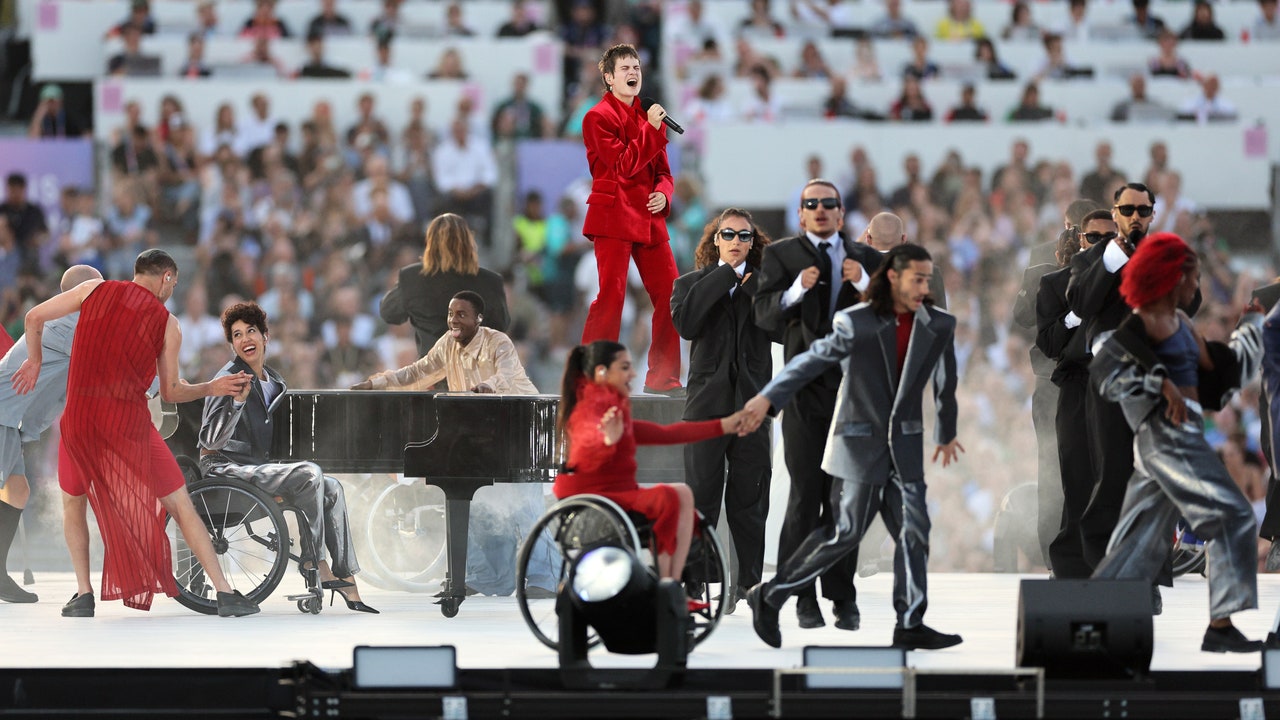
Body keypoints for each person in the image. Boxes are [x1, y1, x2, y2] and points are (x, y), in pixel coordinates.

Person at [12, 249, 258, 617]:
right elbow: (172, 391)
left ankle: (83, 595)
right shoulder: (167, 323)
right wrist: (213, 387)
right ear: (167, 278)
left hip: (79, 422)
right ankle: (225, 593)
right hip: (127, 424)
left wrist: (34, 360)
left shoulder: (93, 289)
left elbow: (33, 317)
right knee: (179, 503)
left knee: (73, 503)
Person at [743, 243, 964, 650]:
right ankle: (771, 594)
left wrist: (945, 434)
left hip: (905, 448)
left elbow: (945, 384)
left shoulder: (938, 324)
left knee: (915, 532)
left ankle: (910, 622)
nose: (924, 286)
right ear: (894, 277)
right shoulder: (855, 322)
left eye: (928, 279)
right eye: (917, 278)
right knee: (844, 533)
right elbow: (809, 362)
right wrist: (769, 398)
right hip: (858, 444)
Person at [1090, 232, 1263, 653]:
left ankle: (1090, 613)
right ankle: (1220, 626)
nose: (1196, 286)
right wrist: (1159, 382)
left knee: (1141, 533)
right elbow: (1105, 368)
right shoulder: (1141, 323)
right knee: (1234, 517)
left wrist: (1253, 330)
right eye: (1193, 276)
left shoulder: (1183, 323)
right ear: (1172, 276)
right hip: (1165, 438)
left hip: (1182, 436)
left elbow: (1214, 369)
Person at [354, 291, 555, 597]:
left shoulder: (498, 341)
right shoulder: (448, 343)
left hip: (522, 429)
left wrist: (488, 387)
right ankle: (489, 577)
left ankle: (545, 579)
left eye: (462, 314)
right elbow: (418, 373)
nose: (454, 320)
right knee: (481, 504)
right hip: (480, 432)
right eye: (451, 314)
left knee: (524, 508)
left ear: (479, 319)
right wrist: (376, 383)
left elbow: (507, 374)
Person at [752, 180, 882, 632]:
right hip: (806, 392)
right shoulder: (782, 256)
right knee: (805, 495)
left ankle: (843, 598)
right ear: (802, 214)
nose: (821, 210)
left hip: (855, 394)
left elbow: (899, 313)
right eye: (812, 204)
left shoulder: (866, 260)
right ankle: (802, 595)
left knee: (844, 500)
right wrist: (793, 292)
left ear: (843, 214)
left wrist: (863, 283)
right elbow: (762, 314)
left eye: (830, 204)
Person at [1068, 183, 1198, 609]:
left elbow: (1191, 303)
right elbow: (1084, 304)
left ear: (1153, 213)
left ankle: (1149, 580)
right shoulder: (1093, 258)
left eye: (1144, 209)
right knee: (1110, 476)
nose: (1136, 216)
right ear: (1116, 212)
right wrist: (1117, 255)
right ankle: (1107, 571)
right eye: (1128, 209)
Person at [198, 302, 375, 613]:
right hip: (223, 471)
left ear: (266, 336)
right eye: (237, 335)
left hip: (253, 469)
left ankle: (345, 575)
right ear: (232, 344)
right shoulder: (228, 377)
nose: (244, 339)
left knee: (332, 486)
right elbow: (210, 441)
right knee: (310, 473)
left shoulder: (274, 380)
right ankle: (315, 563)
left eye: (250, 331)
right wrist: (236, 404)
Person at [554, 340, 749, 582]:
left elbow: (668, 434)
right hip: (601, 498)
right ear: (602, 372)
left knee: (684, 493)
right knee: (670, 498)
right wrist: (605, 440)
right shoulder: (592, 409)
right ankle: (667, 581)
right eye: (624, 367)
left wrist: (723, 426)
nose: (633, 374)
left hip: (616, 493)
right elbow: (588, 438)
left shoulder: (614, 409)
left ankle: (673, 582)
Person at [670, 208, 775, 606]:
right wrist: (725, 276)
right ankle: (695, 583)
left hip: (752, 407)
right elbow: (687, 324)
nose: (736, 242)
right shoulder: (689, 284)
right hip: (705, 409)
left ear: (753, 242)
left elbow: (782, 328)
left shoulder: (764, 286)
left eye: (744, 236)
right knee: (700, 498)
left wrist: (751, 289)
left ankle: (748, 584)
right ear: (715, 240)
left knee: (750, 500)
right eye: (728, 234)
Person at [579, 43, 682, 395]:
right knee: (612, 296)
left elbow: (665, 173)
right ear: (608, 78)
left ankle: (663, 378)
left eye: (636, 66)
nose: (632, 72)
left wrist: (664, 195)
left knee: (671, 294)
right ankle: (595, 373)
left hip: (649, 217)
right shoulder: (597, 117)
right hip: (613, 215)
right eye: (624, 68)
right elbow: (623, 165)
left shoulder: (649, 116)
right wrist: (651, 130)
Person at [0, 265, 101, 603]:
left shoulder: (66, 322)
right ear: (79, 292)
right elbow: (107, 359)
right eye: (98, 289)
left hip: (9, 420)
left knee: (17, 490)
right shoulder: (69, 322)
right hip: (1, 414)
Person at [1036, 210, 1115, 579]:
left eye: (1106, 237)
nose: (1099, 243)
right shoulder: (1055, 284)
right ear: (1080, 239)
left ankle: (1122, 564)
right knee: (1076, 473)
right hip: (1076, 384)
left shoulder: (1130, 280)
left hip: (1118, 385)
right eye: (1092, 236)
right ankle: (1069, 564)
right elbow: (1049, 343)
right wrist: (1076, 312)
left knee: (1118, 475)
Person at [380, 213, 510, 359]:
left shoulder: (412, 277)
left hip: (431, 376)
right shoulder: (490, 281)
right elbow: (501, 325)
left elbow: (389, 313)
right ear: (469, 243)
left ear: (431, 243)